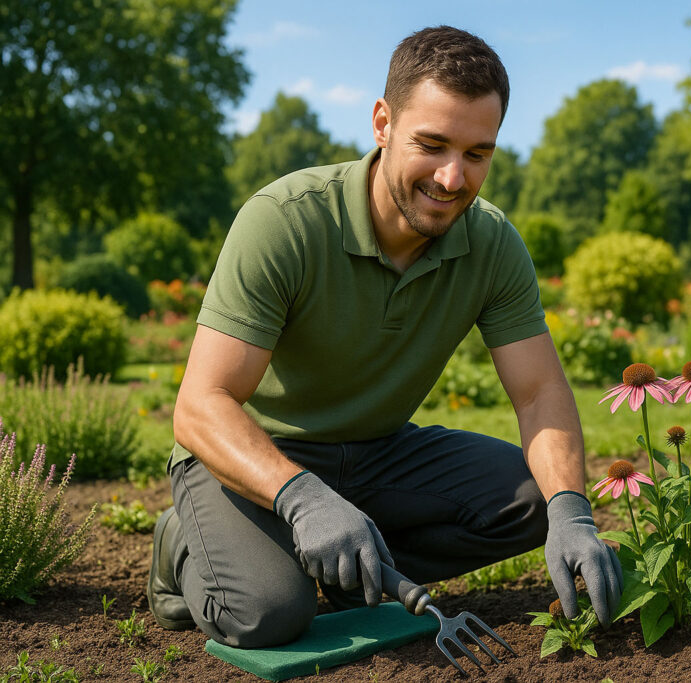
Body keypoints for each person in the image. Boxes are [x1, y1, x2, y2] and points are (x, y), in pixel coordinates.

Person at [147, 25, 622, 649]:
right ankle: (182, 539)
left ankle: (354, 571)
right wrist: (301, 498)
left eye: (478, 153)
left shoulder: (493, 244)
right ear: (382, 122)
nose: (453, 178)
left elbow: (539, 395)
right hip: (254, 457)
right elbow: (200, 405)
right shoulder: (286, 221)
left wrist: (572, 513)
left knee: (540, 497)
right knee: (269, 612)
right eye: (432, 144)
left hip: (378, 454)